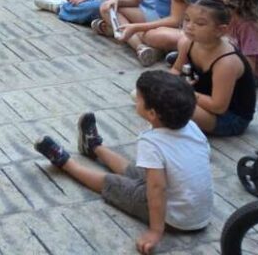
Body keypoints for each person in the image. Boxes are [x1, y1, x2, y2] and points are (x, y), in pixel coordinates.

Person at [34, 72, 212, 255]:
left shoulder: (152, 142)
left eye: (139, 98)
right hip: (197, 211)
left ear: (152, 114)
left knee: (113, 183)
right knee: (140, 170)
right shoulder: (191, 127)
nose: (135, 98)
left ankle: (66, 163)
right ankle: (94, 146)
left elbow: (157, 189)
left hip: (175, 219)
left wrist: (155, 231)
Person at [169, 0, 256, 137]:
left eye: (200, 23)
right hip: (201, 100)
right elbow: (176, 69)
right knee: (151, 93)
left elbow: (218, 107)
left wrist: (184, 90)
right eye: (187, 19)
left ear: (220, 30)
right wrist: (167, 84)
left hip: (230, 117)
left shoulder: (226, 63)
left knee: (170, 103)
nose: (189, 26)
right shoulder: (188, 43)